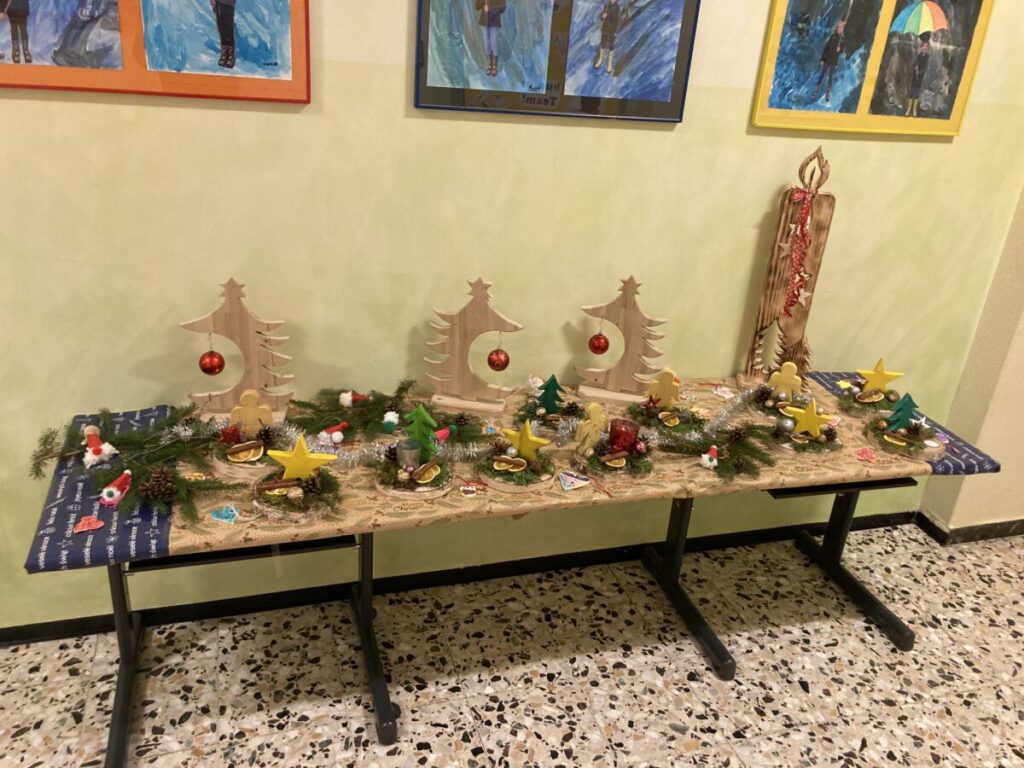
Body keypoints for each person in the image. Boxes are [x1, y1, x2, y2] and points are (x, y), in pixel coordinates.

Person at [811, 19, 845, 102]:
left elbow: (842, 50)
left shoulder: (842, 39)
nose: (838, 29)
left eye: (840, 28)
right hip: (827, 59)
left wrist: (839, 50)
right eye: (838, 27)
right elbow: (826, 48)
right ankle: (815, 91)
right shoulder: (833, 36)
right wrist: (822, 59)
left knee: (830, 76)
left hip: (833, 61)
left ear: (842, 29)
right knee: (822, 74)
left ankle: (828, 93)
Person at [475, 0, 506, 77]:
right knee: (487, 43)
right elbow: (477, 7)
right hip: (484, 21)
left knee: (494, 42)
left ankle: (495, 66)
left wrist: (490, 9)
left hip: (494, 21)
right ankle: (490, 65)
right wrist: (482, 2)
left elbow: (503, 8)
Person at [905, 33, 931, 117]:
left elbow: (926, 68)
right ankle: (909, 109)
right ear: (921, 47)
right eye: (924, 46)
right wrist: (914, 67)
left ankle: (914, 109)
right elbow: (912, 65)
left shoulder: (927, 57)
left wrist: (919, 71)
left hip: (920, 78)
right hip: (914, 77)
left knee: (916, 93)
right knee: (911, 93)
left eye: (926, 47)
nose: (925, 48)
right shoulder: (918, 56)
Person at [593, 0, 621, 75]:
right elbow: (602, 19)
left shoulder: (617, 8)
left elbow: (618, 21)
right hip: (605, 29)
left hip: (612, 31)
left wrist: (616, 31)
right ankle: (600, 59)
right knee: (602, 44)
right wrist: (602, 16)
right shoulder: (606, 6)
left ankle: (609, 64)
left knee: (611, 46)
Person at [210, 0, 236, 69]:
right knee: (222, 30)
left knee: (229, 30)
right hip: (219, 4)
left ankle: (231, 56)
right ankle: (224, 55)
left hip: (228, 4)